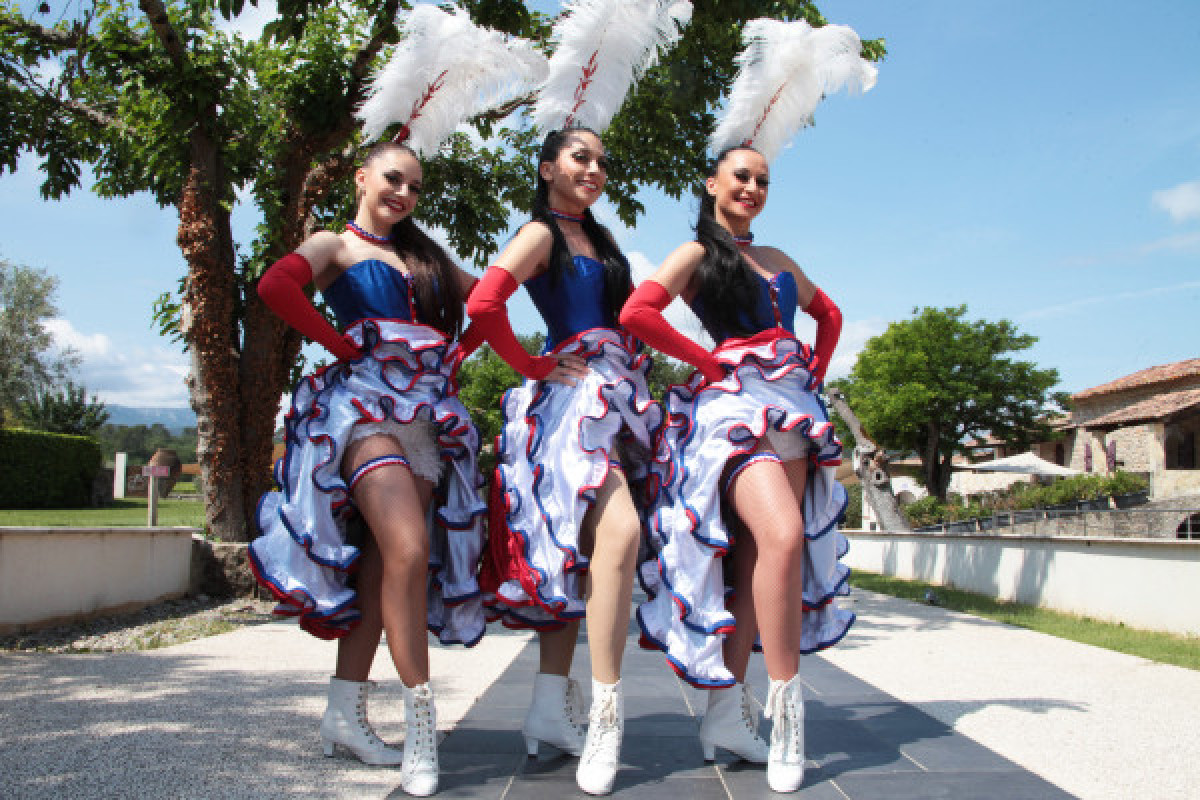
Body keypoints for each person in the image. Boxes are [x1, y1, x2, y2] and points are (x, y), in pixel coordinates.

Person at [250, 140, 486, 797]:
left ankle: (342, 714)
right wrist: (339, 345)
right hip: (363, 417)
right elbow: (274, 284)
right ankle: (419, 725)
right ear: (361, 177)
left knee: (387, 564)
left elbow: (491, 300)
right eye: (392, 179)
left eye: (413, 185)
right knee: (409, 549)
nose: (403, 194)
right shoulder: (335, 245)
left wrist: (461, 353)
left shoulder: (425, 256)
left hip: (427, 423)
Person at [621, 145, 854, 793]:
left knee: (759, 559)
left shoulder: (779, 260)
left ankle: (725, 715)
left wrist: (815, 375)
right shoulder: (696, 254)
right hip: (735, 411)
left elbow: (828, 315)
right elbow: (637, 312)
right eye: (741, 177)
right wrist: (707, 361)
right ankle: (788, 712)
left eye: (762, 180)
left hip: (795, 413)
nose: (752, 187)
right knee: (781, 534)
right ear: (712, 184)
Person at [468, 126, 663, 796]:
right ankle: (607, 716)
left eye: (602, 161)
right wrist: (531, 364)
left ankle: (549, 709)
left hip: (618, 396)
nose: (594, 168)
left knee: (576, 552)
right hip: (571, 403)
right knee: (622, 533)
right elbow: (484, 302)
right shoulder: (540, 233)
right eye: (581, 157)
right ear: (548, 166)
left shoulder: (599, 240)